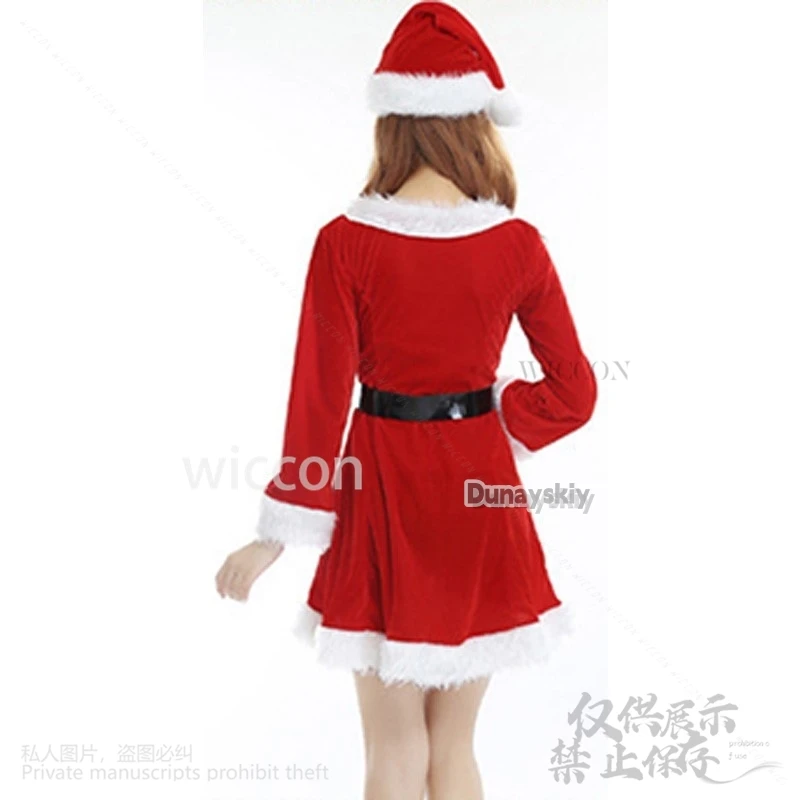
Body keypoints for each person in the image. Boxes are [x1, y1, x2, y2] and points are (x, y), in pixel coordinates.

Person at [215, 3, 597, 798]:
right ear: (476, 122)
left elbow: (318, 399)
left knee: (393, 752)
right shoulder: (516, 244)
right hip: (479, 491)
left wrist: (275, 535)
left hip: (382, 488)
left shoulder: (344, 243)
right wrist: (499, 420)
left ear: (392, 121)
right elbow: (575, 391)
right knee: (453, 749)